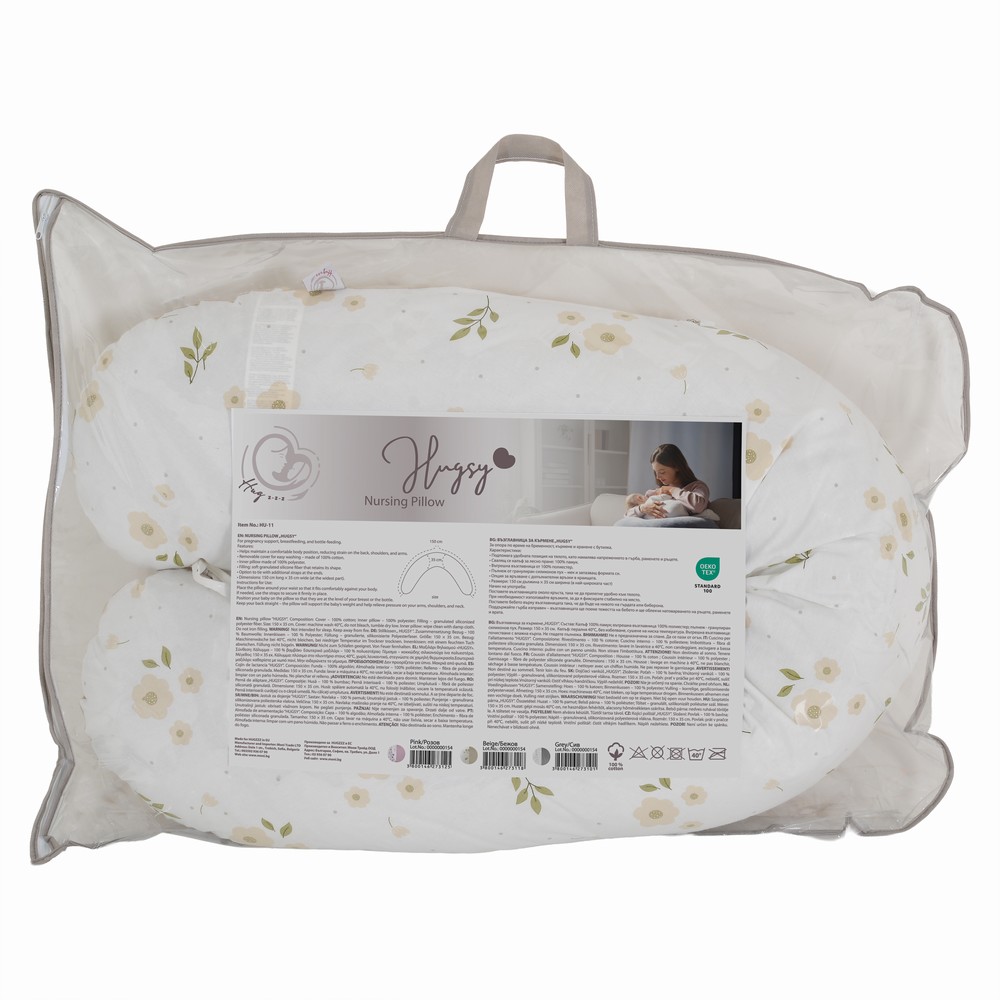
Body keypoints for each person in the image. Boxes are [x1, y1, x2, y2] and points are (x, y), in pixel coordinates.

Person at [618, 443, 716, 527]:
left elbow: (698, 506)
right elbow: (627, 516)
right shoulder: (654, 494)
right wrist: (642, 508)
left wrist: (672, 490)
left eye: (662, 472)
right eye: (655, 472)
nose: (657, 477)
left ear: (677, 467)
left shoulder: (697, 487)